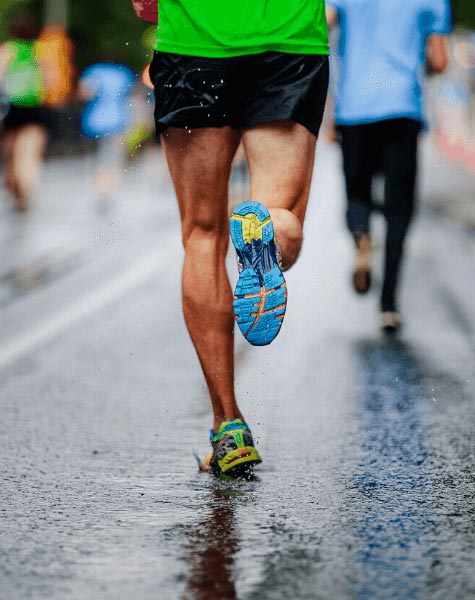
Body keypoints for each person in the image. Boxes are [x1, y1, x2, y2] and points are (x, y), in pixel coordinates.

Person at [136, 0, 330, 477]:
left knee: (202, 235)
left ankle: (228, 425)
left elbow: (145, 5)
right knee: (281, 218)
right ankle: (265, 228)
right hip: (287, 41)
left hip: (193, 42)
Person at [325, 0, 450, 333]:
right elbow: (440, 60)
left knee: (357, 191)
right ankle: (388, 304)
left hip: (354, 107)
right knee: (399, 209)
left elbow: (320, 25)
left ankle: (361, 234)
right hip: (402, 105)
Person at [0, 15, 51, 213]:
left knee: (11, 153)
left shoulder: (7, 50)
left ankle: (17, 189)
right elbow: (48, 81)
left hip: (12, 107)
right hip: (34, 107)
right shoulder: (38, 51)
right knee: (29, 153)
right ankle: (27, 188)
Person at [78, 55, 137, 208]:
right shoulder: (123, 73)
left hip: (93, 122)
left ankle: (100, 189)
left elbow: (85, 93)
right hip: (118, 121)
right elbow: (131, 96)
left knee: (96, 158)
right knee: (113, 158)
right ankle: (108, 190)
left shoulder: (94, 71)